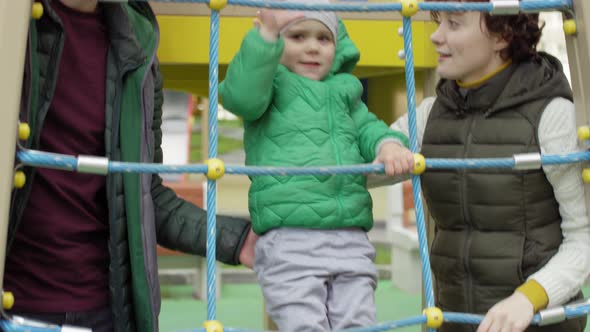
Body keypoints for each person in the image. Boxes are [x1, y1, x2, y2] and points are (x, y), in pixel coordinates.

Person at [7, 1, 257, 331]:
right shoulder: (17, 24)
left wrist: (237, 240)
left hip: (104, 310)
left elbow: (145, 196)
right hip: (18, 302)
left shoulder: (135, 49)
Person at [388, 1, 590, 331]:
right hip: (458, 322)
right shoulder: (429, 115)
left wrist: (528, 298)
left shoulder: (552, 116)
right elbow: (360, 171)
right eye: (439, 22)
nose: (436, 36)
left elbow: (583, 238)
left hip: (536, 323)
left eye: (454, 24)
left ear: (502, 35)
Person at [218, 1, 415, 330]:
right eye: (297, 36)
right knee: (304, 324)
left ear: (337, 46)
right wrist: (265, 36)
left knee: (358, 322)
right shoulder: (270, 87)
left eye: (323, 39)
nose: (312, 47)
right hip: (290, 237)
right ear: (279, 42)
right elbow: (241, 97)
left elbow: (368, 127)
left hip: (349, 236)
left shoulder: (345, 92)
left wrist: (389, 145)